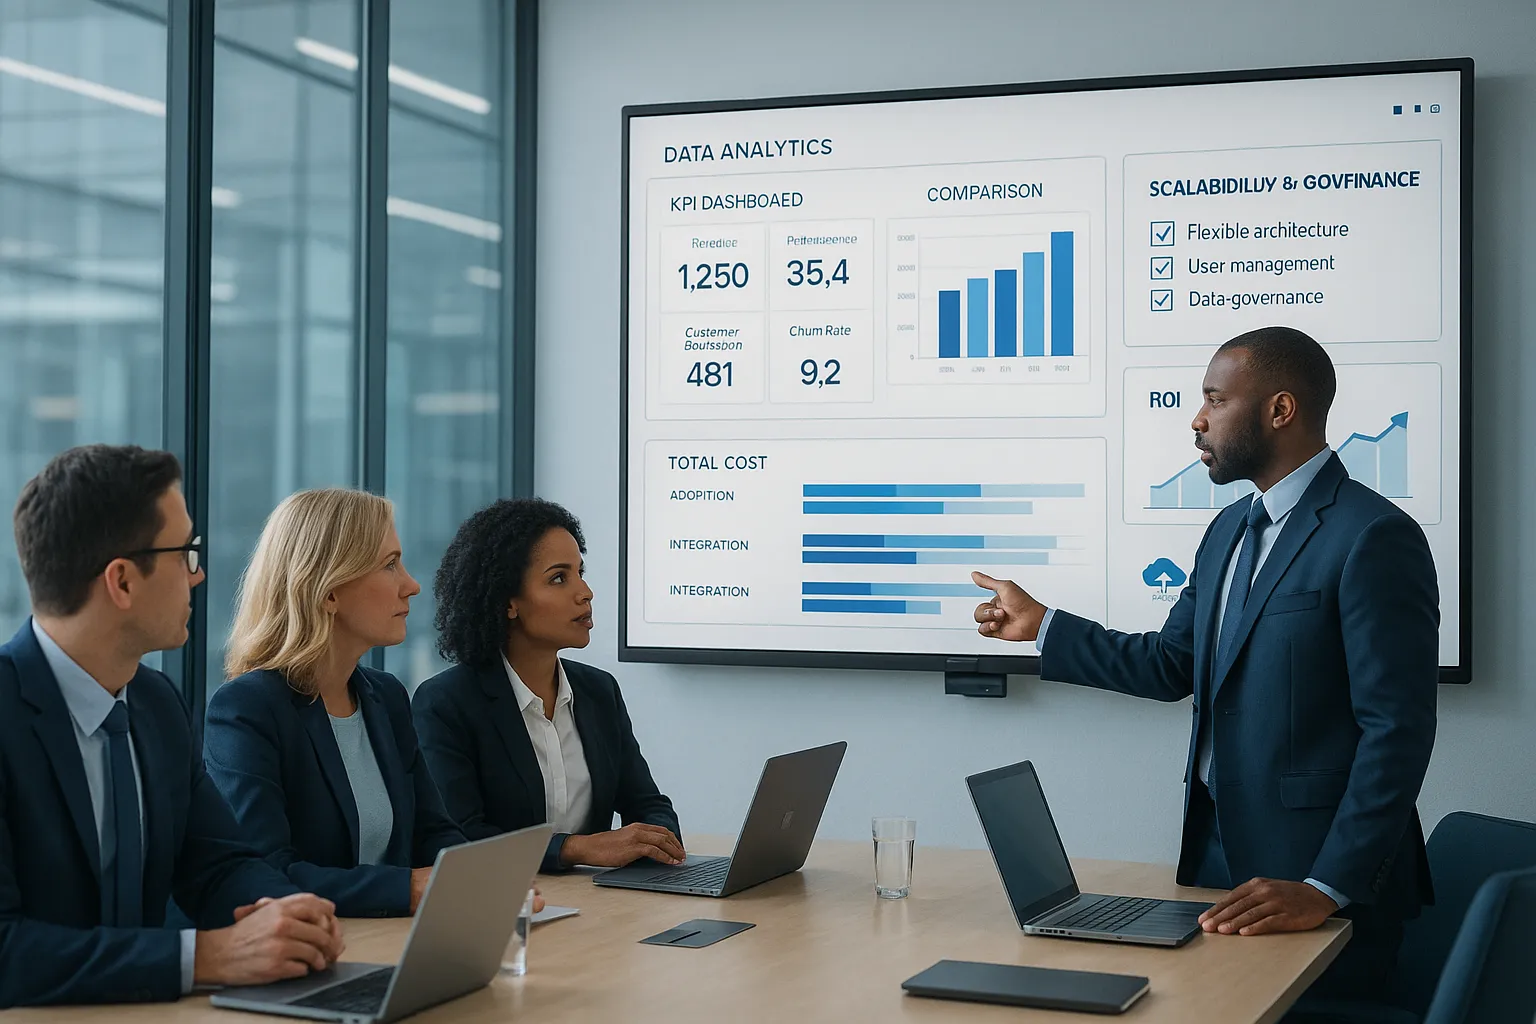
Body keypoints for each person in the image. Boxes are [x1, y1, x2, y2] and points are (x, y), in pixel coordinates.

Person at [973, 327, 1437, 1004]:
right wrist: (1045, 627)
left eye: (1215, 400)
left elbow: (1396, 729)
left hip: (1324, 886)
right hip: (1219, 861)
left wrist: (1325, 887)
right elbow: (1173, 664)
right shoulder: (1227, 531)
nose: (1197, 419)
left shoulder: (1372, 536)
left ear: (1279, 411)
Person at [0, 445, 344, 1007]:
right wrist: (207, 957)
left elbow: (216, 863)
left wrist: (280, 914)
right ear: (122, 582)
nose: (199, 572)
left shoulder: (157, 703)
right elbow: (6, 951)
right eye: (185, 552)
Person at [204, 489, 471, 919]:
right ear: (328, 592)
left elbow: (433, 831)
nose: (412, 585)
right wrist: (404, 888)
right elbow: (266, 871)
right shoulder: (246, 709)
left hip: (399, 941)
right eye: (390, 564)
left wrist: (482, 880)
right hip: (315, 952)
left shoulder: (386, 697)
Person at [412, 498, 684, 874]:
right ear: (509, 603)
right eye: (559, 578)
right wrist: (573, 849)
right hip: (507, 906)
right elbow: (462, 836)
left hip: (600, 906)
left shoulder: (599, 691)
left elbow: (649, 804)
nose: (584, 592)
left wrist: (658, 839)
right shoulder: (446, 702)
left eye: (580, 572)